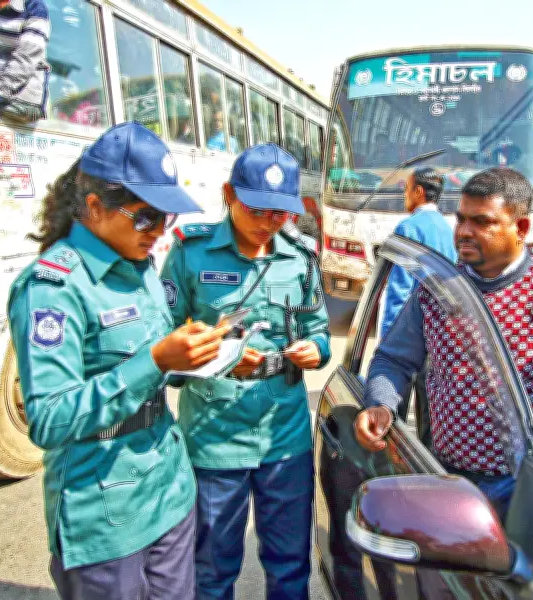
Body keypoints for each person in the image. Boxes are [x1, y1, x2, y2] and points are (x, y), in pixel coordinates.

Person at [7, 122, 231, 600]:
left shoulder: (141, 266)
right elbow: (48, 418)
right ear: (94, 207)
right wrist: (153, 361)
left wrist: (193, 354)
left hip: (168, 493)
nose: (158, 232)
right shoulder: (53, 287)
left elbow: (154, 366)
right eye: (146, 217)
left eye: (165, 219)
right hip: (106, 517)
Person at [354, 167, 533, 525]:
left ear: (520, 229)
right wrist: (380, 402)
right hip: (456, 480)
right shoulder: (436, 292)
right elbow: (393, 360)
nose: (465, 232)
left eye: (482, 222)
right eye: (461, 220)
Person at [160, 144, 331, 600]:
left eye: (280, 214)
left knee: (291, 566)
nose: (268, 223)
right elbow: (162, 353)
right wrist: (221, 358)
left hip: (285, 435)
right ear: (228, 194)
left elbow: (319, 328)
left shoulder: (300, 256)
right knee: (212, 571)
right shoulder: (190, 254)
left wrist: (315, 349)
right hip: (214, 441)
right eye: (258, 210)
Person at [380, 167, 457, 339]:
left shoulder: (408, 227)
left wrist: (389, 339)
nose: (404, 195)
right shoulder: (447, 228)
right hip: (439, 327)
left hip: (413, 329)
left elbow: (400, 289)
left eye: (406, 189)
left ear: (418, 191)